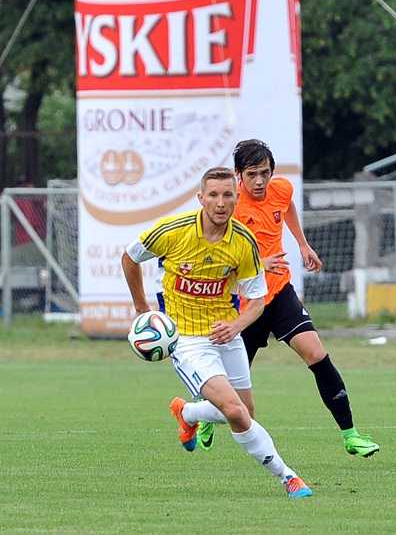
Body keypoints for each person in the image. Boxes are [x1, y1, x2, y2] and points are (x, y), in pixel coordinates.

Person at [121, 166, 312, 498]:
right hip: (187, 341)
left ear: (236, 199)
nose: (220, 203)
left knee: (245, 413)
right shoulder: (173, 232)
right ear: (201, 198)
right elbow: (130, 257)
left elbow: (256, 300)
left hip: (226, 333)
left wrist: (236, 325)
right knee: (235, 411)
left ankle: (189, 412)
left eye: (227, 195)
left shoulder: (243, 242)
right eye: (213, 195)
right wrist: (142, 309)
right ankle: (288, 477)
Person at [195, 139, 379, 458]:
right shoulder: (228, 208)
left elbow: (287, 206)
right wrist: (256, 264)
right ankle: (204, 415)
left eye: (264, 173)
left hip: (280, 293)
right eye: (251, 174)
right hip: (246, 304)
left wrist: (303, 244)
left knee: (317, 355)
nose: (258, 181)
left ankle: (351, 435)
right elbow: (214, 261)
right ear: (238, 175)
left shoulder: (280, 189)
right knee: (233, 385)